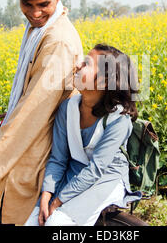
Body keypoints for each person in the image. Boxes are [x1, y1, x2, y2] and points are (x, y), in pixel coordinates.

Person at [0, 0, 84, 226]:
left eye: (43, 4)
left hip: (33, 159)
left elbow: (33, 111)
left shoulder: (58, 41)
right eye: (27, 5)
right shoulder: (38, 30)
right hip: (23, 151)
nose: (35, 13)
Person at [24, 44, 142, 226]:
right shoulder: (67, 108)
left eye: (86, 63)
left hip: (106, 179)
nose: (78, 65)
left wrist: (58, 201)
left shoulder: (119, 120)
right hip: (75, 172)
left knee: (57, 222)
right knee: (31, 221)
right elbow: (58, 159)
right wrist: (46, 195)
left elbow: (96, 169)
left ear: (103, 81)